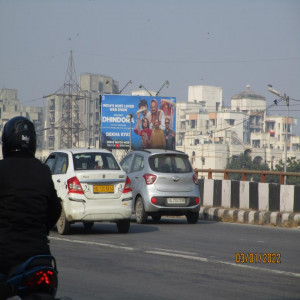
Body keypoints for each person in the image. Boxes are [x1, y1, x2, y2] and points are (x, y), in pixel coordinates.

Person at [0, 116, 61, 299]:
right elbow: (54, 211)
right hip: (39, 257)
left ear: (6, 142)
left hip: (4, 258)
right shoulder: (43, 171)